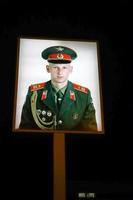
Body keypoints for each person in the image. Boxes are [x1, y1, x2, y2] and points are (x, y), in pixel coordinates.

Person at [19, 45, 97, 131]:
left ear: (70, 69)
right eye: (55, 67)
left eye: (64, 67)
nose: (60, 72)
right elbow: (25, 129)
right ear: (48, 69)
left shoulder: (83, 96)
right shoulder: (34, 93)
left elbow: (90, 131)